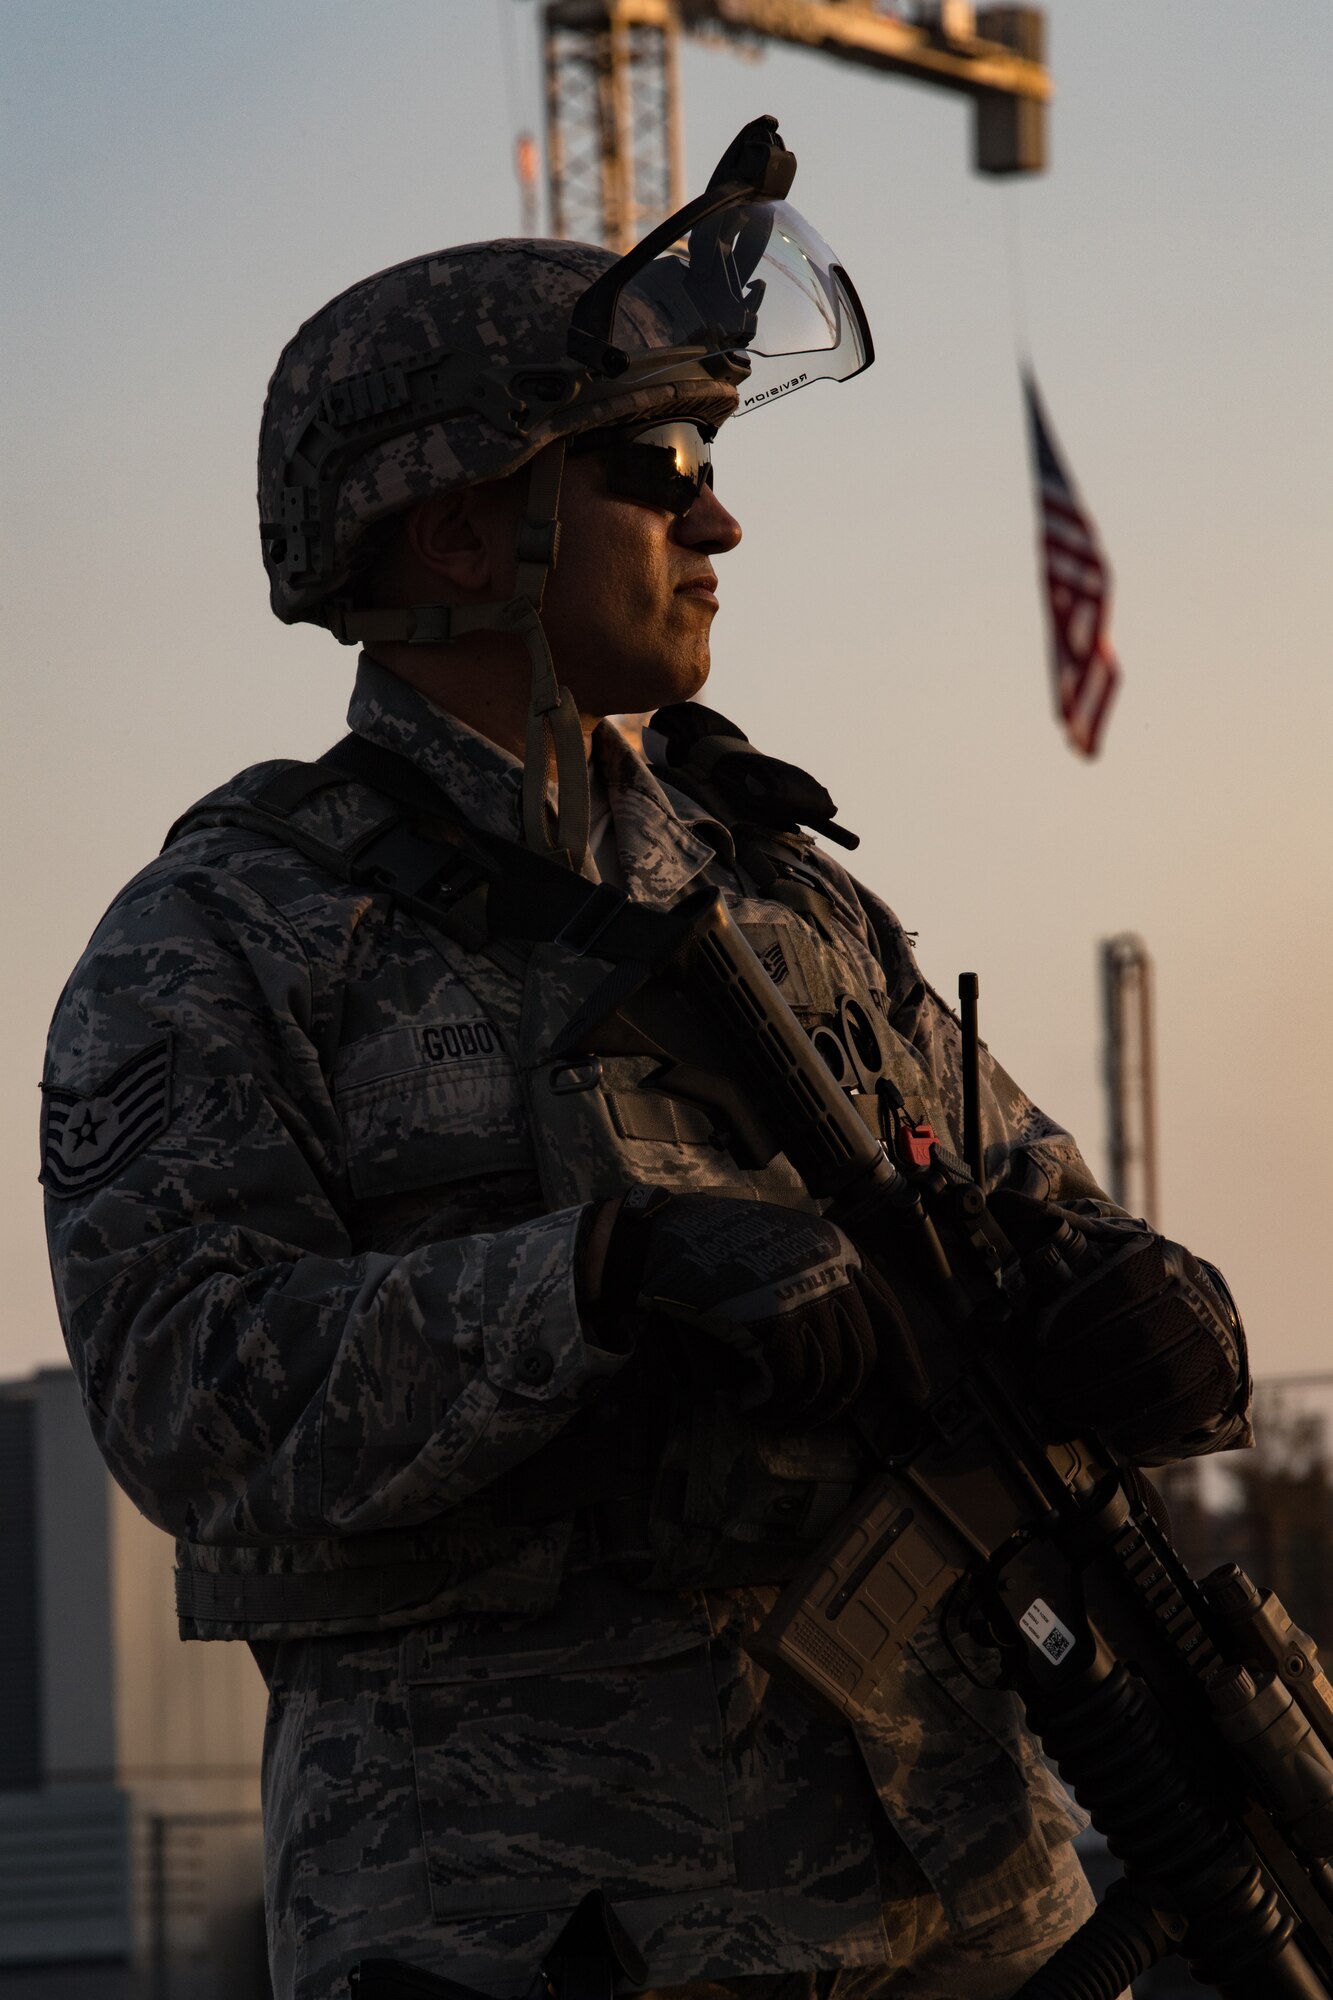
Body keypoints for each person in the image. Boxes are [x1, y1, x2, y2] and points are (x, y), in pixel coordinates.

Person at [41, 119, 1250, 2000]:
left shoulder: (777, 886)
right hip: (538, 1926)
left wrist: (1149, 1308)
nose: (718, 522)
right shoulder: (227, 937)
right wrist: (599, 1282)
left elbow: (1024, 1199)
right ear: (458, 524)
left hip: (971, 1897)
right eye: (659, 467)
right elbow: (190, 1398)